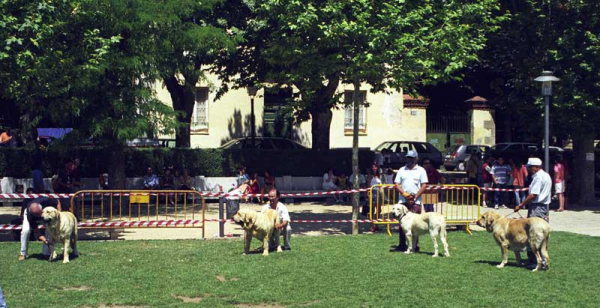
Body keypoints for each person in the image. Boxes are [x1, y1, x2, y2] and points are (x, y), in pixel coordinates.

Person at [514, 157, 552, 266]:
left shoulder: (538, 177)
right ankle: (540, 259)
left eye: (530, 168)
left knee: (534, 235)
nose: (529, 170)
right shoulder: (545, 175)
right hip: (542, 207)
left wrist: (520, 205)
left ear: (535, 167)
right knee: (540, 235)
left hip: (537, 207)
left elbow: (533, 195)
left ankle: (535, 261)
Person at [393, 150, 428, 252]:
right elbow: (397, 184)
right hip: (402, 201)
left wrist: (415, 197)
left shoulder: (421, 170)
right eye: (408, 158)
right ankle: (402, 244)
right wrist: (404, 194)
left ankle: (414, 246)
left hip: (415, 201)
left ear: (416, 158)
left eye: (412, 158)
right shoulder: (401, 170)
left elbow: (424, 185)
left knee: (415, 224)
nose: (410, 160)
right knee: (402, 224)